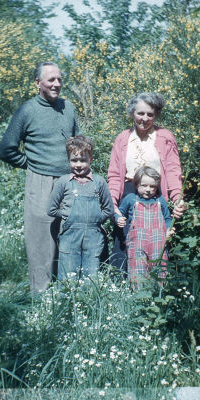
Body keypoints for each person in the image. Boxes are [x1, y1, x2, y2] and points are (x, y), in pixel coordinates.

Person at [0, 61, 81, 293]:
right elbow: (5, 149)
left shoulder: (69, 107)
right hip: (40, 181)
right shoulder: (27, 111)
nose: (56, 84)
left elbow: (78, 143)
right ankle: (41, 297)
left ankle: (69, 290)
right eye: (51, 79)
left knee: (70, 234)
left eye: (59, 79)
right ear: (38, 83)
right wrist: (31, 165)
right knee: (41, 240)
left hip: (69, 181)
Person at [108, 92, 185, 273]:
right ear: (132, 113)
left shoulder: (165, 137)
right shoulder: (122, 138)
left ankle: (155, 283)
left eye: (150, 114)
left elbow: (173, 170)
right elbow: (114, 175)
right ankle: (119, 286)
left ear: (156, 115)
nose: (145, 118)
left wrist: (177, 197)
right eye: (140, 113)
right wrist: (113, 204)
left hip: (155, 194)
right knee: (125, 237)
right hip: (128, 194)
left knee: (157, 239)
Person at [47, 135, 114, 284]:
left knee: (91, 276)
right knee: (67, 276)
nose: (78, 165)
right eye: (74, 160)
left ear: (91, 159)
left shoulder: (99, 182)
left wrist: (96, 219)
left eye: (82, 160)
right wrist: (66, 214)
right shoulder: (64, 182)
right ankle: (66, 303)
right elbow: (51, 209)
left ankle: (88, 303)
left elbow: (109, 210)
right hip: (69, 236)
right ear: (68, 160)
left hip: (93, 236)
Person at [115, 166, 175, 283]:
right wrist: (118, 219)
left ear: (157, 187)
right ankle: (139, 294)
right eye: (144, 185)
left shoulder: (160, 200)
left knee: (159, 265)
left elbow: (167, 218)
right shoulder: (130, 198)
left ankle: (159, 293)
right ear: (136, 185)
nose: (148, 189)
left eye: (152, 186)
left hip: (158, 240)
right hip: (137, 240)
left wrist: (169, 229)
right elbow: (119, 212)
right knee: (137, 266)